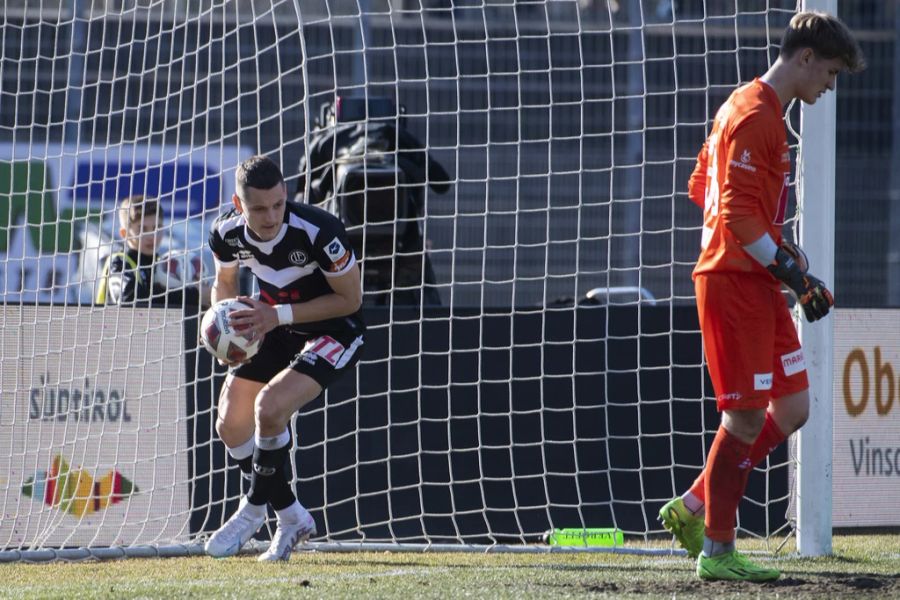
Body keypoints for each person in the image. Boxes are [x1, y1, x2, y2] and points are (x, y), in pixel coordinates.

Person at [658, 11, 864, 582]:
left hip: (758, 279)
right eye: (829, 71)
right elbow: (737, 213)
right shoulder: (754, 116)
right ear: (804, 59)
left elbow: (702, 185)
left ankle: (694, 506)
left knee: (793, 407)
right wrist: (792, 273)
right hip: (733, 283)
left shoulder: (751, 109)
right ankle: (717, 552)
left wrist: (779, 254)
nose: (830, 84)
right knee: (746, 418)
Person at [203, 155, 365, 561]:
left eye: (278, 204)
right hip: (272, 324)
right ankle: (292, 516)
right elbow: (224, 283)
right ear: (239, 207)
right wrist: (228, 336)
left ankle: (254, 507)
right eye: (258, 208)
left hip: (334, 329)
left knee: (269, 408)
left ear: (286, 195)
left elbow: (351, 299)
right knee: (229, 423)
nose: (271, 215)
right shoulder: (225, 232)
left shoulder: (320, 230)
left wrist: (276, 315)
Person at [95, 195, 210, 308]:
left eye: (157, 227)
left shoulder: (163, 264)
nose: (151, 235)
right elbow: (130, 299)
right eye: (142, 229)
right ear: (124, 234)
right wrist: (195, 295)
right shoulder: (119, 262)